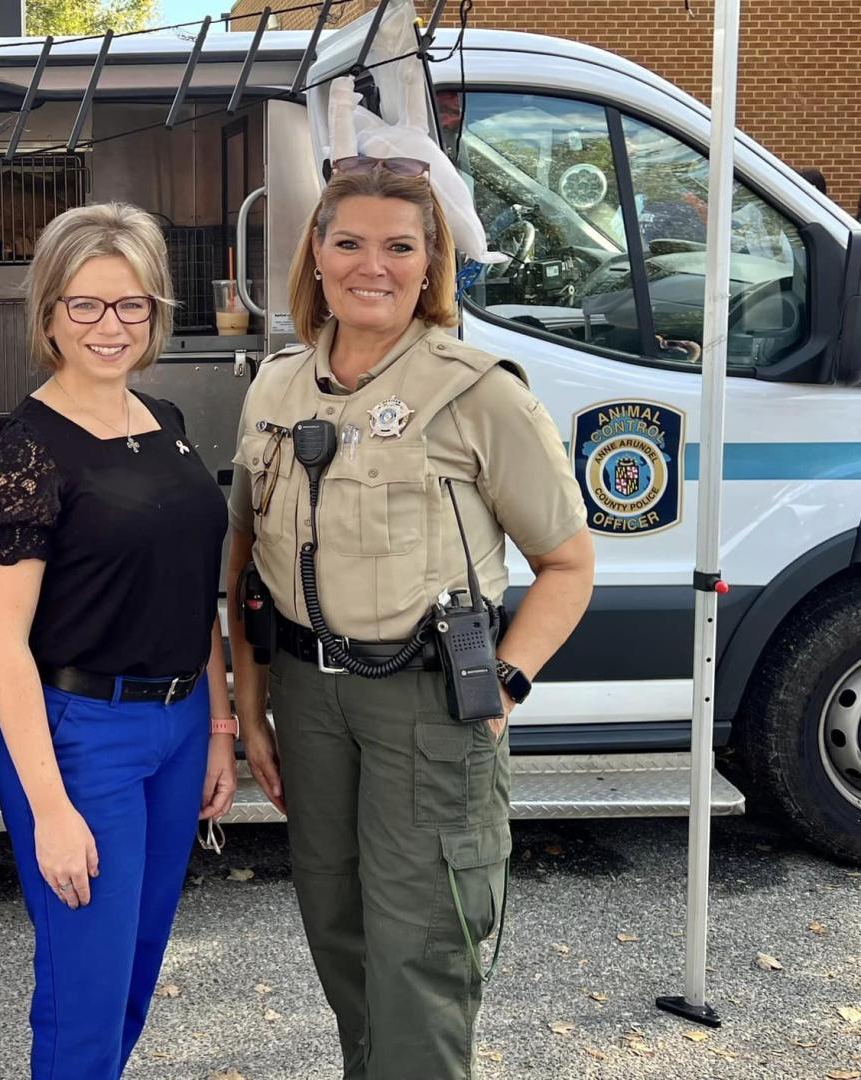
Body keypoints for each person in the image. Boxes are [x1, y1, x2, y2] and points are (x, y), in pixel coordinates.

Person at [225, 156, 595, 1079]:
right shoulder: (274, 390)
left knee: (423, 955)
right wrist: (252, 699)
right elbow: (245, 562)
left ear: (433, 264)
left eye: (400, 246)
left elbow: (567, 563)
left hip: (429, 707)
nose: (371, 266)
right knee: (339, 936)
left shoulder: (478, 392)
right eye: (348, 242)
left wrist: (506, 679)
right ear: (315, 253)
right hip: (310, 704)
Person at [0, 202, 238, 1079]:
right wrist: (47, 809)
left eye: (131, 306)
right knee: (84, 989)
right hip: (81, 737)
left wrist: (219, 725)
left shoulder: (164, 418)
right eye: (85, 305)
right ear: (48, 314)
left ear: (156, 313)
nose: (109, 326)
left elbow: (195, 592)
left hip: (180, 722)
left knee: (135, 973)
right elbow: (2, 644)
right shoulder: (22, 452)